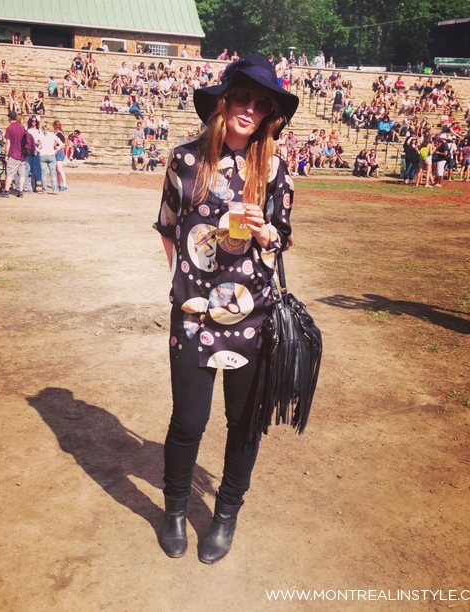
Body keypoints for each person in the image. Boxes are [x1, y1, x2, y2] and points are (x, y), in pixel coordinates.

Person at [153, 54, 298, 564]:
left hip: (251, 315)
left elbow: (283, 237)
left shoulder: (274, 168)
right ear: (224, 101)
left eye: (261, 104)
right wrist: (183, 283)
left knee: (243, 422)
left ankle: (226, 514)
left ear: (269, 114)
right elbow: (168, 226)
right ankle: (174, 511)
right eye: (242, 97)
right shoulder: (184, 160)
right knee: (189, 420)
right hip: (194, 315)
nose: (249, 109)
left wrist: (265, 232)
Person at [0, 111, 27, 198]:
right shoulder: (22, 128)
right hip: (22, 155)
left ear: (9, 118)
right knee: (21, 174)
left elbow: (8, 143)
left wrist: (6, 155)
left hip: (13, 154)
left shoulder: (9, 128)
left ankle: (6, 191)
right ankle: (20, 192)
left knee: (9, 173)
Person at [37, 122, 62, 194]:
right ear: (49, 128)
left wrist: (38, 149)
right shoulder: (53, 135)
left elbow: (33, 142)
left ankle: (44, 190)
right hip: (51, 155)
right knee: (53, 173)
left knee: (43, 174)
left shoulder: (40, 135)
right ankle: (54, 189)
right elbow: (61, 144)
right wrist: (56, 150)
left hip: (42, 155)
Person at [53, 120, 67, 191]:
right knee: (58, 170)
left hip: (59, 152)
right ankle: (59, 185)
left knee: (59, 169)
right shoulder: (60, 133)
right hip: (58, 151)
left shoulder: (58, 134)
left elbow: (55, 143)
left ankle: (64, 185)